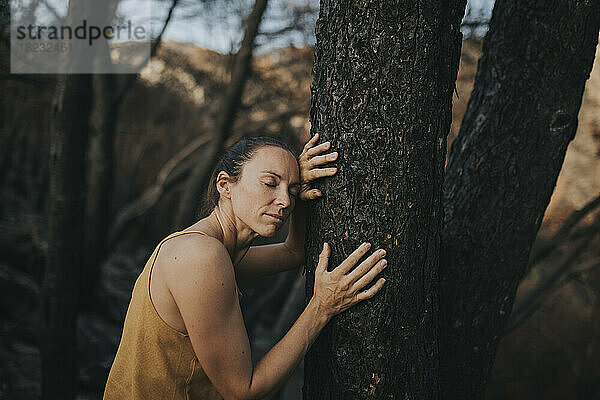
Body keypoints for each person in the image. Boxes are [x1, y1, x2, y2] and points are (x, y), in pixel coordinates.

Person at [103, 134, 388, 399]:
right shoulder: (200, 257)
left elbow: (292, 253)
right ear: (225, 185)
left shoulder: (209, 249)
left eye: (291, 189)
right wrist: (322, 308)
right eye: (270, 183)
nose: (285, 201)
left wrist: (302, 196)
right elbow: (243, 390)